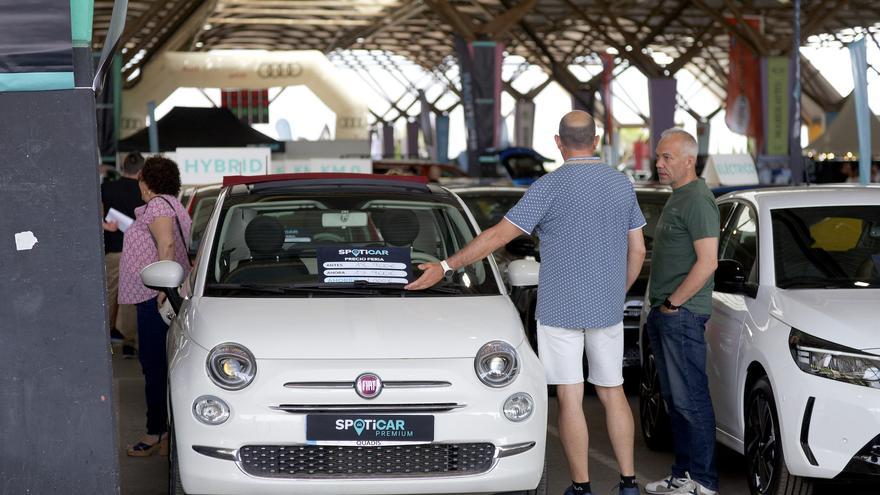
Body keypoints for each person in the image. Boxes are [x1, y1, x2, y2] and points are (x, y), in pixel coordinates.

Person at [407, 111, 647, 495]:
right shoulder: (621, 185)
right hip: (606, 308)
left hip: (559, 308)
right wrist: (617, 290)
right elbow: (637, 249)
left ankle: (582, 487)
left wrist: (447, 265)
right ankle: (629, 482)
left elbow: (499, 236)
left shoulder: (549, 186)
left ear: (558, 142)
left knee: (570, 396)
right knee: (612, 391)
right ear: (597, 139)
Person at [644, 128, 720, 495]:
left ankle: (703, 481)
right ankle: (683, 476)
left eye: (667, 157)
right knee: (677, 401)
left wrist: (674, 304)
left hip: (683, 315)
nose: (659, 163)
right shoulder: (678, 197)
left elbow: (707, 263)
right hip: (668, 314)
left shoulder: (696, 200)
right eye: (658, 157)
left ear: (689, 160)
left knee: (691, 399)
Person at [118, 156, 192, 457]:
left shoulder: (159, 206)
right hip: (158, 294)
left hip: (155, 297)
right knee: (162, 365)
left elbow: (167, 246)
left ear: (145, 182)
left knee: (154, 366)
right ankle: (164, 433)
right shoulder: (173, 204)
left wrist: (164, 284)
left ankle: (155, 432)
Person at [102, 152, 145, 357]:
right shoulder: (143, 191)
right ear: (140, 172)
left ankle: (104, 339)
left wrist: (105, 226)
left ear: (123, 167)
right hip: (137, 253)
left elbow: (94, 214)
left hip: (113, 251)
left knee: (109, 295)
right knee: (130, 298)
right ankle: (130, 342)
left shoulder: (106, 189)